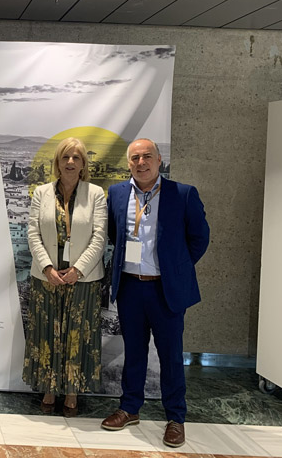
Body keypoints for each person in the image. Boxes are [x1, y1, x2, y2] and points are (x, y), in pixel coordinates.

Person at [101, 138, 209, 448]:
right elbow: (114, 234)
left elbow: (200, 237)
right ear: (129, 163)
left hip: (165, 289)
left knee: (170, 355)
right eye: (135, 158)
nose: (141, 162)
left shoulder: (182, 194)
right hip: (130, 287)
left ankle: (175, 418)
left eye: (147, 156)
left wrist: (176, 269)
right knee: (134, 351)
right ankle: (129, 408)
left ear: (159, 160)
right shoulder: (117, 194)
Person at [23, 137, 107, 417]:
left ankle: (72, 391)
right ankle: (49, 388)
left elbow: (99, 237)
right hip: (46, 278)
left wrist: (78, 269)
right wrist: (47, 268)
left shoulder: (95, 194)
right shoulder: (41, 193)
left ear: (83, 164)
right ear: (57, 163)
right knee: (48, 334)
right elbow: (33, 233)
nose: (70, 162)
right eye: (65, 157)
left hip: (83, 279)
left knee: (77, 336)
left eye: (76, 157)